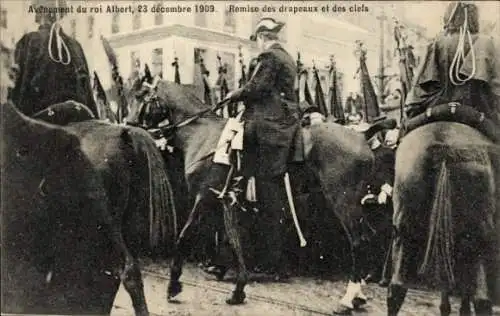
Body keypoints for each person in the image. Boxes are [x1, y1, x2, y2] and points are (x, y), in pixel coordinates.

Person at [224, 17, 300, 278]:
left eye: (257, 39)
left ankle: (238, 181)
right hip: (283, 120)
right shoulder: (286, 56)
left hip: (268, 127)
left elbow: (257, 88)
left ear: (261, 37)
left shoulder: (269, 57)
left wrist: (233, 94)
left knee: (263, 196)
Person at [405, 1, 500, 126]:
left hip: (436, 106)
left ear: (449, 17)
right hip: (477, 107)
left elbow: (419, 87)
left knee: (404, 134)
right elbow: (496, 87)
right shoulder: (486, 43)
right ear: (474, 17)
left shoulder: (435, 43)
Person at [10, 0, 98, 117]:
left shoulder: (29, 41)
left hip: (40, 125)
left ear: (39, 12)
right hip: (80, 120)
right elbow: (88, 97)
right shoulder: (75, 46)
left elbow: (16, 91)